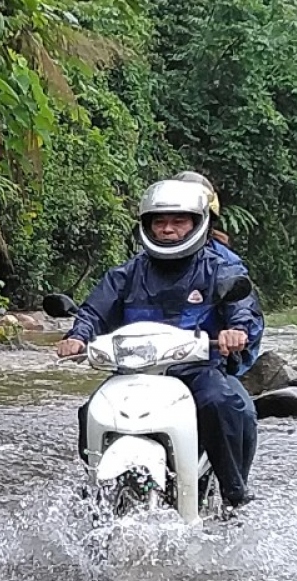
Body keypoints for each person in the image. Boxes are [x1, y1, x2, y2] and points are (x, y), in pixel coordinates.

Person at [56, 179, 265, 508]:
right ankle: (94, 492)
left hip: (198, 369)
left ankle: (233, 493)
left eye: (178, 221)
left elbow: (244, 310)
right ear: (147, 226)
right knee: (91, 411)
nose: (168, 229)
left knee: (223, 403)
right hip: (136, 372)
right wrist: (77, 336)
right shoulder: (126, 274)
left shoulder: (220, 269)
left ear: (197, 223)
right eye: (160, 221)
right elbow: (94, 311)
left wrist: (236, 330)